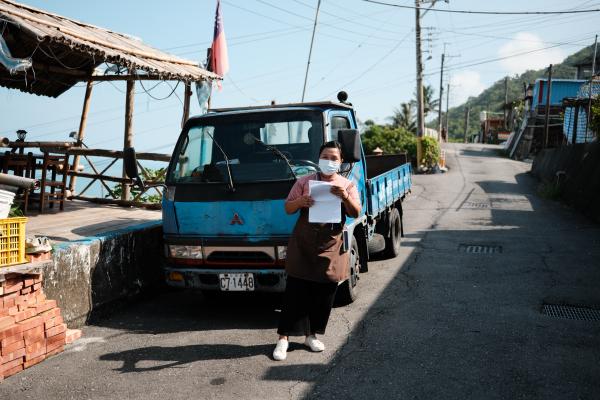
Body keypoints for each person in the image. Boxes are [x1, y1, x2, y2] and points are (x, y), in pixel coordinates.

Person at [273, 140, 361, 361]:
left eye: (334, 158)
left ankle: (312, 335)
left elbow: (356, 212)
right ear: (318, 158)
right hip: (303, 243)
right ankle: (283, 339)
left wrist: (345, 196)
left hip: (331, 244)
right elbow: (287, 207)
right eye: (325, 157)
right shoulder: (304, 182)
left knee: (325, 290)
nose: (329, 161)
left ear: (341, 162)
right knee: (295, 290)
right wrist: (301, 201)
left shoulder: (347, 185)